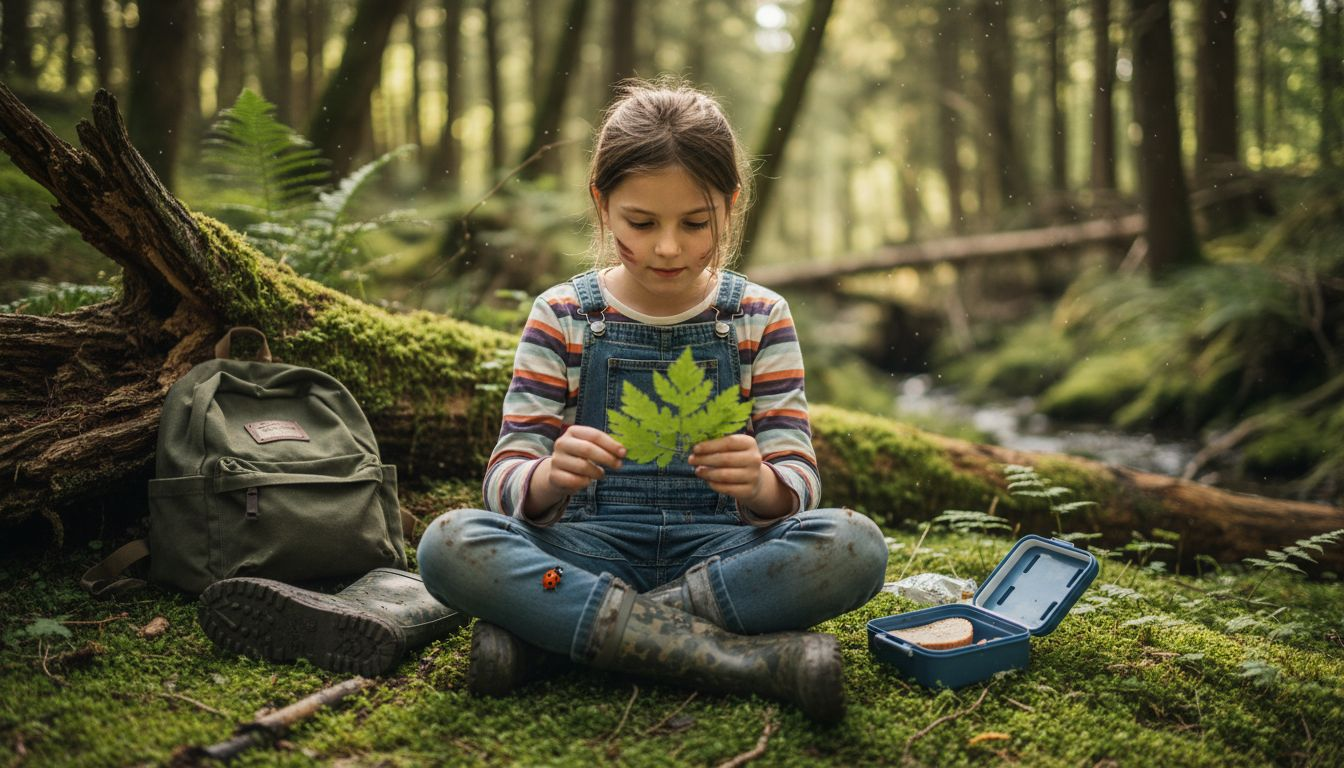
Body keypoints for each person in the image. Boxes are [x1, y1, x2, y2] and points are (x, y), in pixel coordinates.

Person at [416, 80, 888, 724]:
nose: (669, 247)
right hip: (585, 550)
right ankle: (747, 660)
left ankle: (553, 647)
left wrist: (763, 485)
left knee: (854, 546)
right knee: (448, 544)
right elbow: (503, 481)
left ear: (732, 204)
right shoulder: (562, 316)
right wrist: (548, 476)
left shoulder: (758, 317)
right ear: (601, 204)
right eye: (642, 222)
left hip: (722, 556)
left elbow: (799, 480)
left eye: (696, 223)